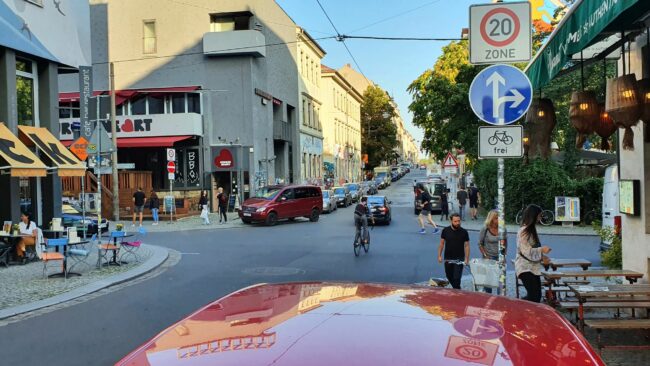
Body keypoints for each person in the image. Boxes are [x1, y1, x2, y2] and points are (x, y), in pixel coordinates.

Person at [515, 204, 552, 303]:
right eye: (539, 215)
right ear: (533, 215)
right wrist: (542, 250)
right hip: (524, 267)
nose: (540, 218)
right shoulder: (524, 231)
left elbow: (533, 248)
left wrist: (542, 257)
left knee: (536, 295)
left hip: (533, 267)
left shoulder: (531, 229)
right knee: (533, 296)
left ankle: (524, 310)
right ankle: (518, 306)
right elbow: (526, 251)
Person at [438, 213, 470, 289]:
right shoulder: (445, 230)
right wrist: (439, 255)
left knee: (457, 278)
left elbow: (467, 246)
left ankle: (457, 293)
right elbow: (442, 244)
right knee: (449, 276)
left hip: (459, 259)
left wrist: (466, 259)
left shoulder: (464, 232)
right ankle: (457, 289)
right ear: (451, 221)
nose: (457, 223)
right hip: (448, 259)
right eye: (455, 221)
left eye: (459, 221)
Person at [478, 209, 507, 294]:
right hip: (488, 257)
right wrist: (485, 255)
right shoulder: (485, 229)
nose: (498, 220)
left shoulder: (503, 229)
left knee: (501, 280)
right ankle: (488, 297)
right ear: (491, 219)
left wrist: (504, 255)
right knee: (488, 281)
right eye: (496, 218)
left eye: (499, 218)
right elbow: (480, 244)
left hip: (500, 257)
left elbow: (505, 242)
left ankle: (500, 298)